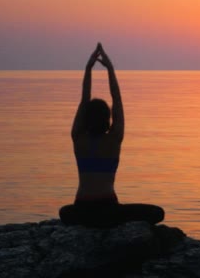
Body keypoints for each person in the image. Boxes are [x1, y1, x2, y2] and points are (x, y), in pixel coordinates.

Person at [59, 43, 165, 227]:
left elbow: (84, 100)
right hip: (109, 209)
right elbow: (117, 99)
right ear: (107, 119)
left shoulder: (78, 138)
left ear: (85, 119)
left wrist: (88, 68)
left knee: (64, 212)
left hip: (82, 209)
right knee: (157, 213)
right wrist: (110, 69)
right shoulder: (114, 139)